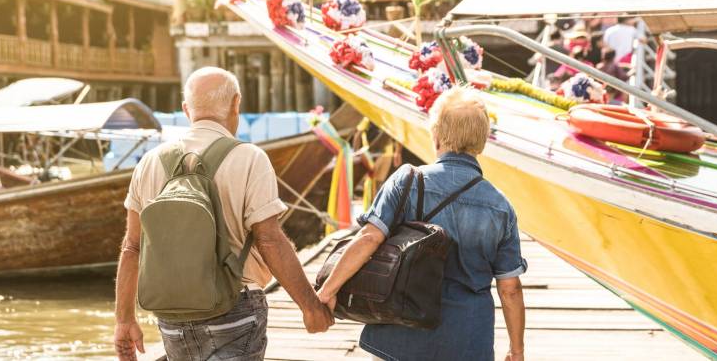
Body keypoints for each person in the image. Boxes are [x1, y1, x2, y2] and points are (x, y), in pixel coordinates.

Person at [113, 67, 333, 361]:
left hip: (172, 316)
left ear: (186, 109)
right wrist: (310, 306)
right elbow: (269, 240)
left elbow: (132, 246)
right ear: (236, 104)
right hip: (234, 309)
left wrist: (124, 320)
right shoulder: (249, 157)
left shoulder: (149, 163)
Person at [316, 86, 527, 361]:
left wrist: (326, 293)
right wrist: (517, 350)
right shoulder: (500, 206)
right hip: (467, 339)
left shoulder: (407, 181)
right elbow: (509, 288)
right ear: (483, 140)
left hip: (401, 334)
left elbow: (369, 238)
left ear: (436, 136)